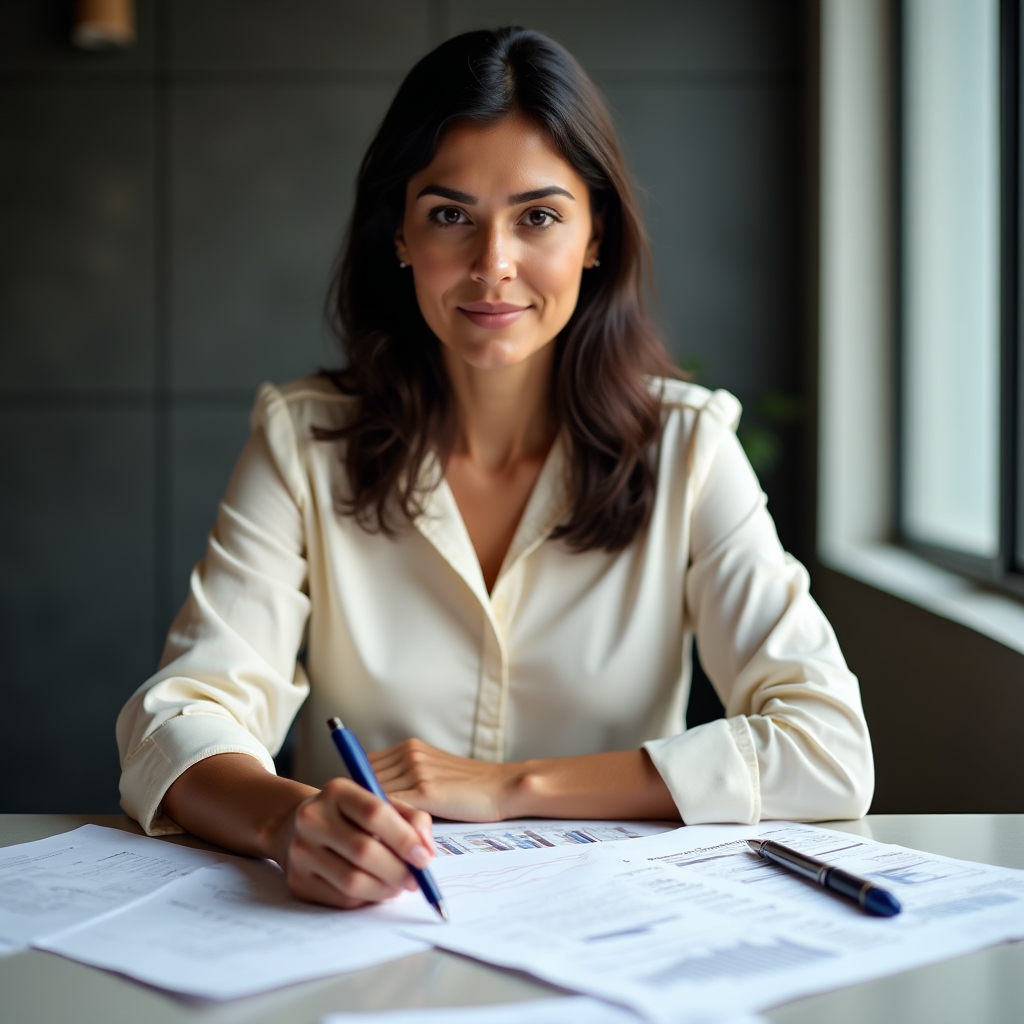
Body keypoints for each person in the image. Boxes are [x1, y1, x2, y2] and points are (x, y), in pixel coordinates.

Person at [116, 27, 873, 911]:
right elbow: (176, 717)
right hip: (366, 935)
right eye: (450, 215)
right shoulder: (302, 440)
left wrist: (509, 785)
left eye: (539, 216)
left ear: (597, 237)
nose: (492, 266)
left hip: (616, 935)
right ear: (399, 233)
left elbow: (827, 746)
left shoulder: (689, 446)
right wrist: (290, 821)